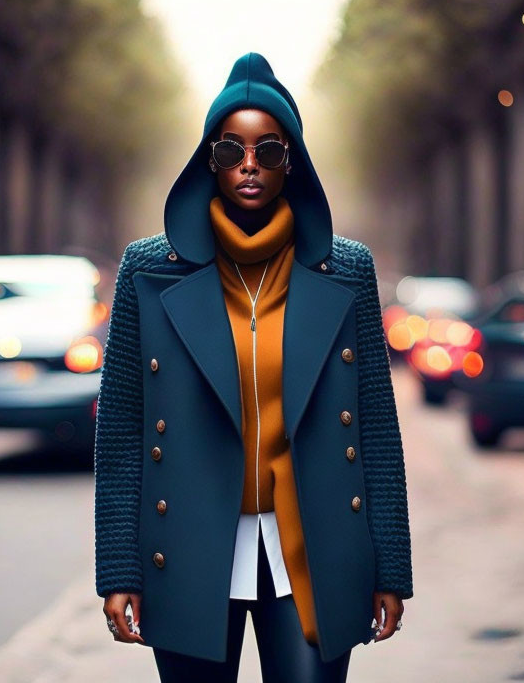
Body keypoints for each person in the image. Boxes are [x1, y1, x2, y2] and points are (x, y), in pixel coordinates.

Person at [95, 52, 413, 683]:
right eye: (230, 150)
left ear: (291, 160)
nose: (248, 165)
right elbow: (122, 428)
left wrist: (391, 567)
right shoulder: (146, 269)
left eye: (268, 150)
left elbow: (375, 423)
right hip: (184, 546)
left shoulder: (346, 268)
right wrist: (118, 570)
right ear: (207, 160)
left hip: (316, 551)